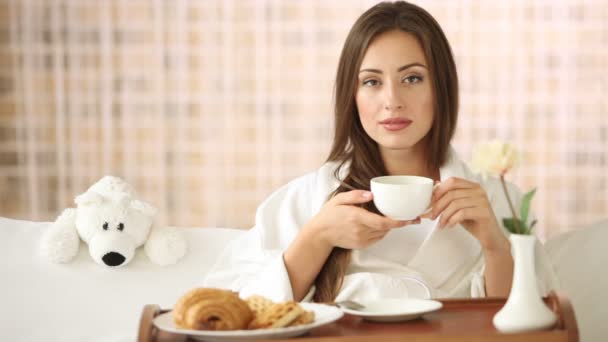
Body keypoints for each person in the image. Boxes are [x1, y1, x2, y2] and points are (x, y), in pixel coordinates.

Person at [203, 1, 557, 303]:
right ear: (352, 96)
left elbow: (534, 327)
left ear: (442, 89)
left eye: (413, 78)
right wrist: (318, 237)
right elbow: (229, 313)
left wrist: (495, 245)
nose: (392, 101)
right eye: (371, 82)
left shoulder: (499, 202)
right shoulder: (305, 201)